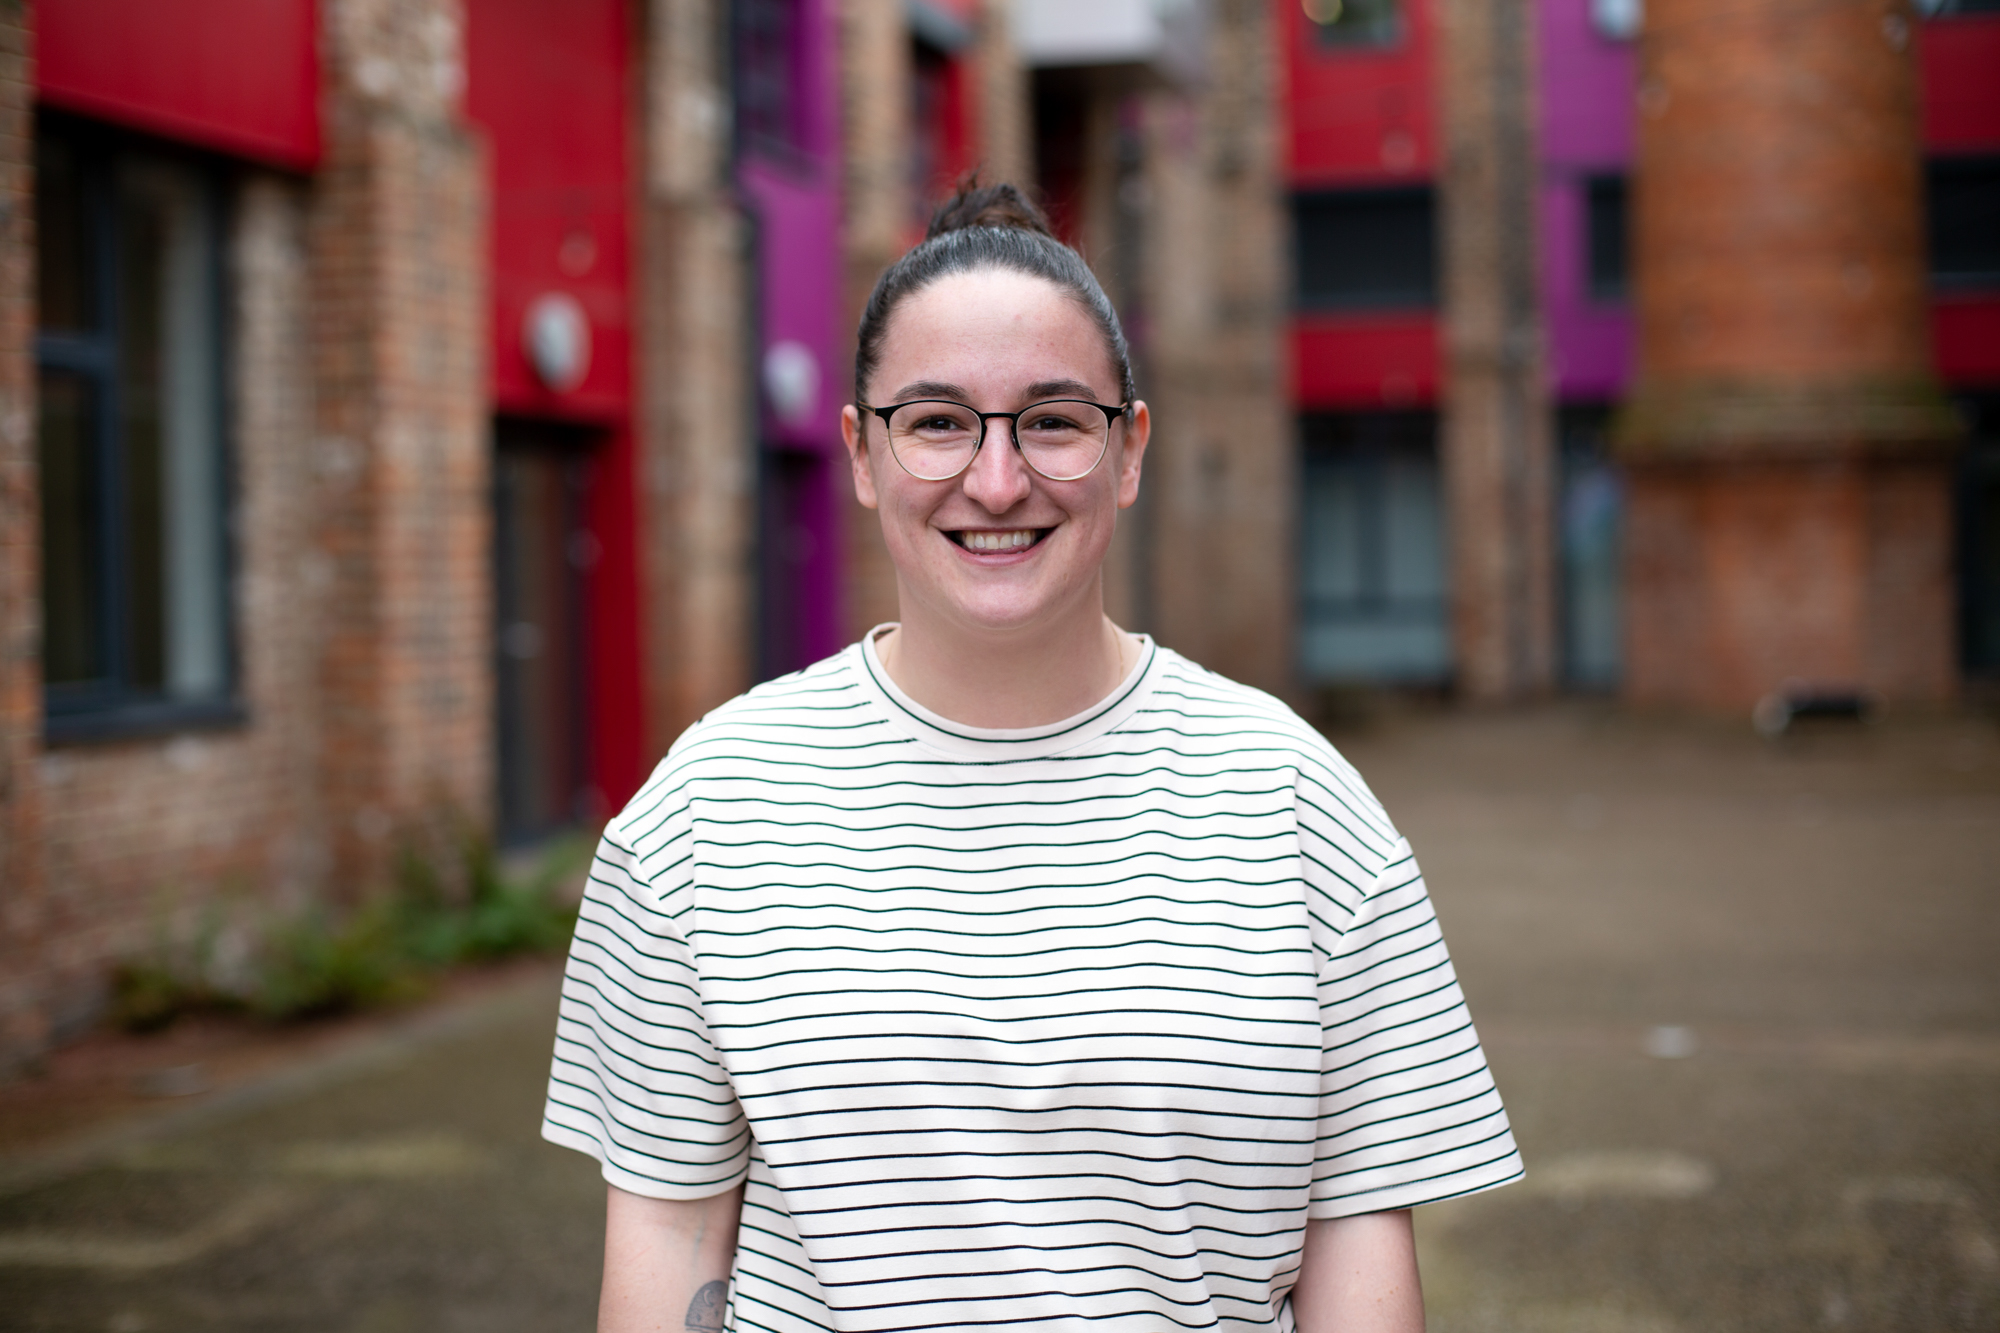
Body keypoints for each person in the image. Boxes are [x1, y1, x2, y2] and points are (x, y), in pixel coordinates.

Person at [542, 183, 1522, 1333]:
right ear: (861, 452)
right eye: (936, 421)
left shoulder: (1299, 804)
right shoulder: (702, 813)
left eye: (1052, 421)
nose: (997, 480)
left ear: (1128, 449)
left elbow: (1352, 1247)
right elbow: (669, 1236)